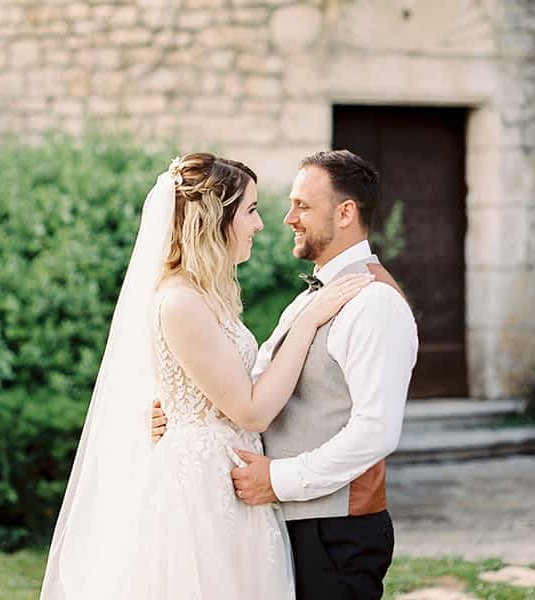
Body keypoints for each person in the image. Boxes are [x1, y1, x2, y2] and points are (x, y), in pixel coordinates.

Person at [39, 152, 374, 599]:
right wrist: (310, 320)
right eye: (250, 211)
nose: (260, 224)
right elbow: (251, 410)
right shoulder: (180, 303)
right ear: (216, 217)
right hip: (196, 491)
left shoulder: (207, 296)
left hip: (228, 479)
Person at [152, 150, 419, 600]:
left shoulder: (376, 304)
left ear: (346, 212)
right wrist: (179, 413)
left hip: (336, 532)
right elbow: (249, 390)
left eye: (303, 205)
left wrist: (279, 480)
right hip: (286, 521)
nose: (287, 218)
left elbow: (377, 431)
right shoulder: (313, 298)